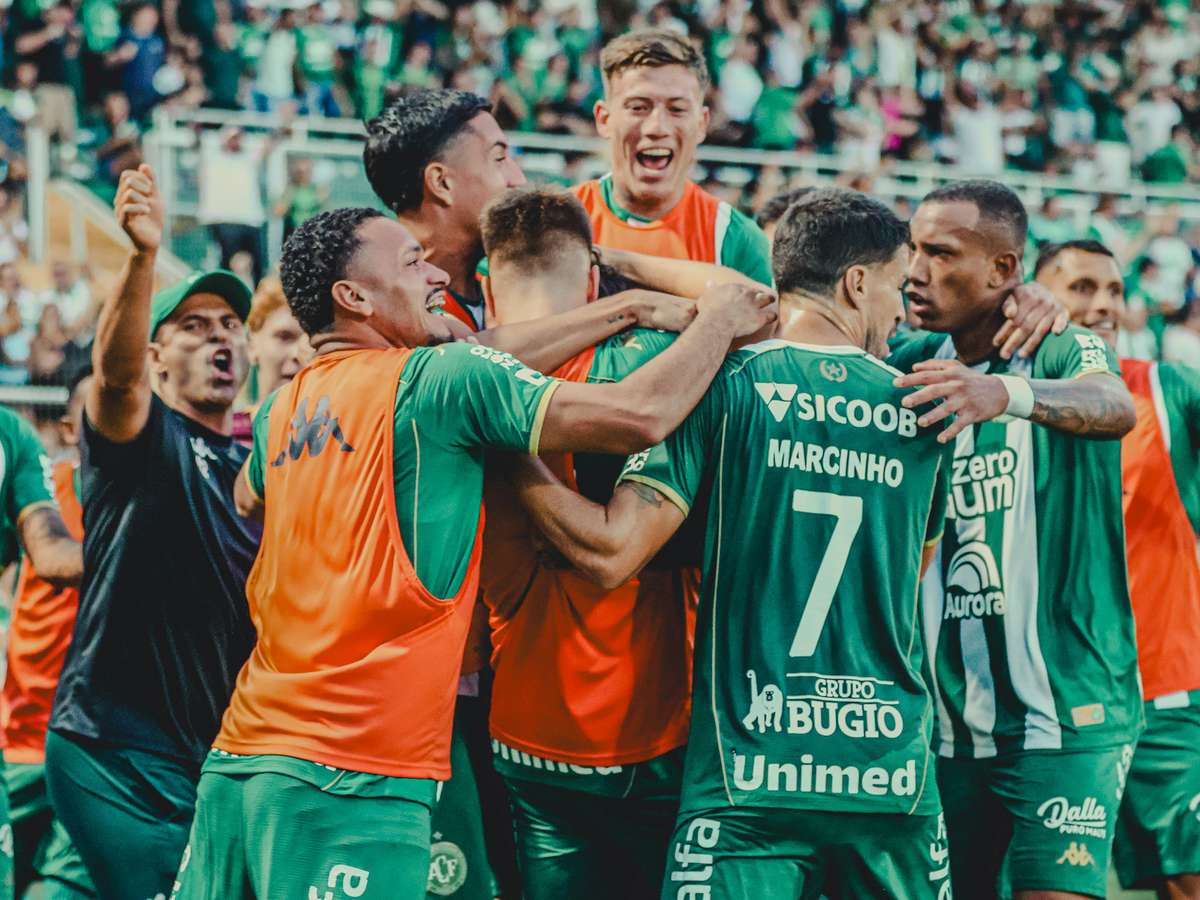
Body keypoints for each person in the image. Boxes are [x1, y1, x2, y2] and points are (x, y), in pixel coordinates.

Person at [170, 205, 774, 899]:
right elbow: (639, 415)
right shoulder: (439, 383)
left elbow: (249, 496)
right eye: (411, 263)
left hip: (241, 761)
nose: (436, 275)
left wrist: (626, 307)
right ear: (355, 297)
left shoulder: (284, 409)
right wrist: (717, 320)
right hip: (355, 775)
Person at [504, 188, 954, 899]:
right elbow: (913, 571)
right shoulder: (929, 407)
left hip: (747, 776)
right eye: (897, 285)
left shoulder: (719, 385)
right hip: (890, 777)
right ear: (857, 283)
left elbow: (610, 553)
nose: (901, 311)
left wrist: (502, 441)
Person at [363, 86, 699, 897]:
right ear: (442, 182)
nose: (514, 172)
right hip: (425, 689)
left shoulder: (468, 315)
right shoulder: (393, 311)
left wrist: (601, 272)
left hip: (497, 690)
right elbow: (730, 320)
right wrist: (625, 301)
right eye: (500, 154)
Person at [478, 186, 761, 899]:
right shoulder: (659, 364)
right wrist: (625, 278)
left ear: (485, 287)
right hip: (658, 726)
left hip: (527, 730)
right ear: (591, 281)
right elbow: (756, 303)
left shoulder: (451, 373)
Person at [888, 180, 1140, 900]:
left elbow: (1113, 403)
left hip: (1066, 713)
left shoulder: (1057, 348)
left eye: (941, 253)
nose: (916, 271)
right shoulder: (907, 358)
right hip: (943, 724)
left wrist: (1006, 395)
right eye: (913, 250)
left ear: (1003, 269)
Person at [44, 165, 260, 900]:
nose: (218, 337)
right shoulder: (143, 438)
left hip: (214, 753)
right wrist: (141, 257)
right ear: (158, 355)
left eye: (229, 325)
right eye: (193, 328)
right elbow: (115, 379)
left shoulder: (261, 463)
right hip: (114, 749)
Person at [1035, 239, 1200, 900]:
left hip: (1166, 693)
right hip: (1046, 705)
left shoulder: (1167, 388)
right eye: (1080, 288)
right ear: (1031, 295)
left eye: (1112, 290)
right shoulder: (995, 398)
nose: (1102, 305)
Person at [1, 364, 96, 899]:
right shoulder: (48, 486)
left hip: (95, 747)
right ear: (68, 428)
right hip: (23, 730)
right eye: (98, 407)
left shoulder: (166, 494)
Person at [574, 30, 772, 283]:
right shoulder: (560, 223)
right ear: (604, 119)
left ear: (701, 124)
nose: (657, 127)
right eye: (638, 107)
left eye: (677, 109)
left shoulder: (734, 239)